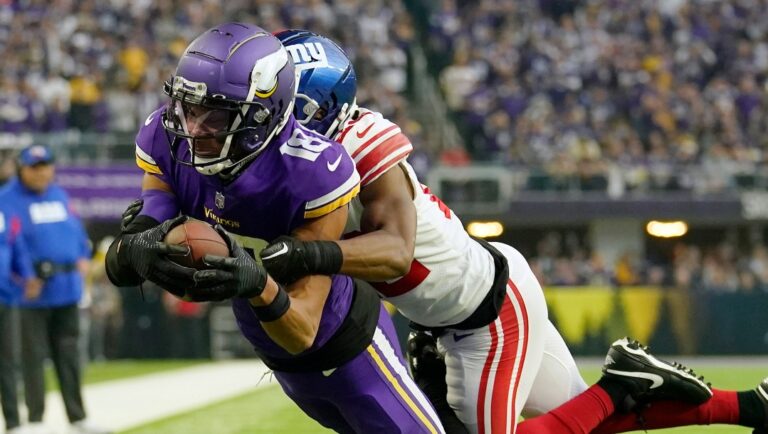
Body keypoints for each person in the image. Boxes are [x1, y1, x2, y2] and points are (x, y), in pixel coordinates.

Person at [257, 30, 768, 434]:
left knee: (577, 413)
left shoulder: (358, 146)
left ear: (313, 108)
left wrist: (308, 255)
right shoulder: (307, 158)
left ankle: (619, 385)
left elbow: (395, 253)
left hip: (488, 315)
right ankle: (750, 406)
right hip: (466, 305)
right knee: (580, 416)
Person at [104, 22, 446, 434]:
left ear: (262, 115)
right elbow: (128, 255)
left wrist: (256, 282)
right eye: (189, 109)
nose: (192, 129)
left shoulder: (312, 171)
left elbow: (303, 330)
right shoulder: (168, 137)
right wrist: (134, 247)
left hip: (347, 346)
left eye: (215, 115)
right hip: (276, 353)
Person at [5, 145, 109, 434]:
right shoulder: (7, 200)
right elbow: (9, 243)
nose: (41, 173)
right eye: (34, 167)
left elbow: (75, 232)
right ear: (21, 169)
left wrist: (82, 257)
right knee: (32, 357)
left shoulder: (59, 195)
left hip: (66, 289)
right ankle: (35, 419)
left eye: (46, 166)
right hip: (30, 293)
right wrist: (24, 277)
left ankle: (77, 417)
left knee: (69, 355)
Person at [0, 187, 38, 434]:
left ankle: (13, 422)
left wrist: (28, 275)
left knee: (9, 361)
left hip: (6, 295)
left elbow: (16, 246)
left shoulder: (4, 209)